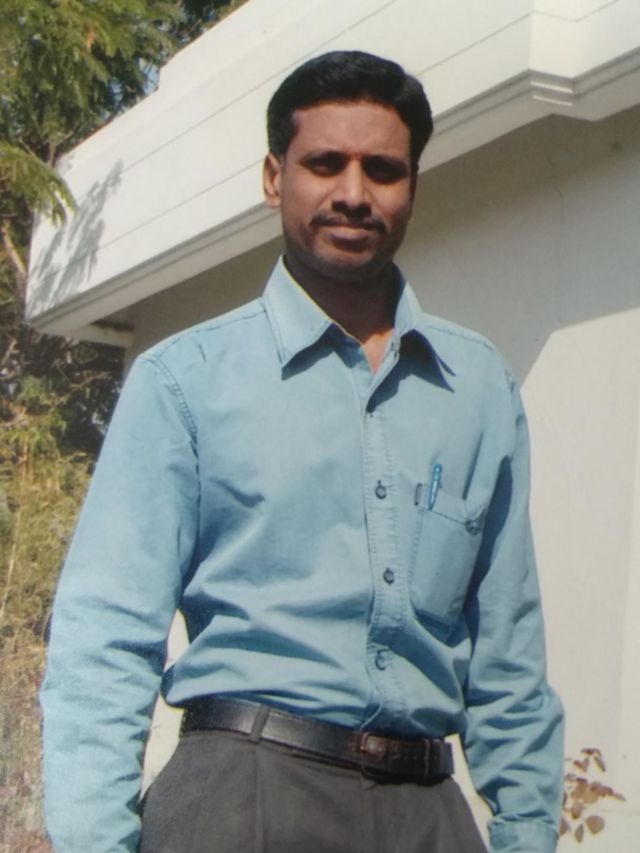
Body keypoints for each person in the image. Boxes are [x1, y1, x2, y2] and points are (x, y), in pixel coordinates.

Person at [41, 50, 564, 853]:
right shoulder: (185, 381)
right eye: (325, 164)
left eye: (383, 169)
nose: (354, 193)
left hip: (429, 813)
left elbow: (509, 655)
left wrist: (526, 834)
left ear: (413, 187)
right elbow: (105, 636)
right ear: (272, 177)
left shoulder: (479, 389)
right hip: (242, 798)